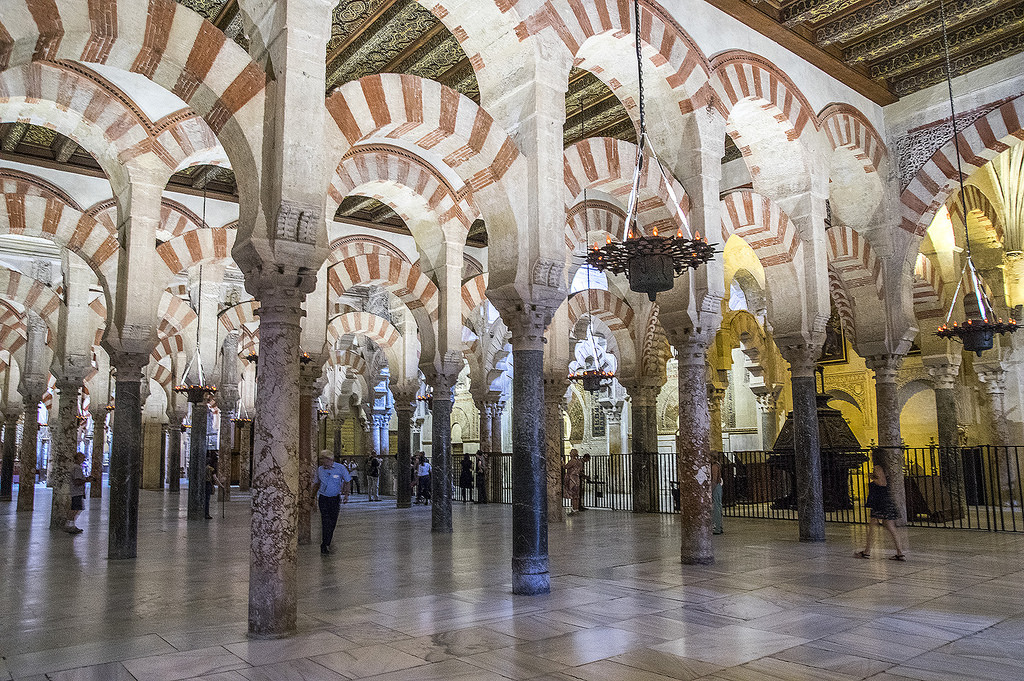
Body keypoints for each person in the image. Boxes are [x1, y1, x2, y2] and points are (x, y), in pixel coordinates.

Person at [857, 463, 906, 561]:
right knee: (890, 528)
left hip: (880, 505)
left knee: (873, 528)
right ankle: (900, 553)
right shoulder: (885, 476)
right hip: (884, 504)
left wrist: (873, 478)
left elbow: (880, 483)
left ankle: (867, 551)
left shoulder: (879, 472)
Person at [314, 451, 346, 555]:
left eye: (324, 459)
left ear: (330, 459)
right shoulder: (320, 470)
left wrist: (346, 494)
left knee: (332, 522)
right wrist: (311, 497)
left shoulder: (340, 468)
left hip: (335, 499)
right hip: (323, 498)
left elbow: (347, 480)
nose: (322, 461)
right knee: (325, 521)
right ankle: (325, 544)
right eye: (321, 459)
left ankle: (328, 541)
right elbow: (317, 483)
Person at [67, 451, 87, 534]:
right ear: (78, 458)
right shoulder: (77, 468)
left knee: (77, 508)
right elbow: (77, 481)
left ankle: (71, 524)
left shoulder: (77, 467)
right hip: (76, 491)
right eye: (82, 457)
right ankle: (70, 525)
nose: (83, 459)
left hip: (77, 491)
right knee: (75, 508)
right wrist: (86, 480)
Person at [562, 449, 583, 513]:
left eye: (571, 452)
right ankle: (576, 509)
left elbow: (565, 467)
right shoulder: (579, 461)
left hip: (572, 479)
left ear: (573, 454)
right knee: (576, 495)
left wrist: (562, 462)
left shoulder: (572, 461)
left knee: (573, 495)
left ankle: (574, 509)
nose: (569, 453)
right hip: (576, 479)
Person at [711, 461, 724, 535]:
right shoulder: (718, 465)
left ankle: (717, 528)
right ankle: (719, 527)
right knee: (718, 506)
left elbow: (714, 479)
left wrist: (711, 489)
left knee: (716, 507)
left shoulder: (714, 467)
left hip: (716, 487)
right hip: (718, 486)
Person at [204, 451, 217, 519]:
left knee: (203, 499)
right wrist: (221, 485)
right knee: (207, 499)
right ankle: (206, 513)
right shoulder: (211, 468)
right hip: (208, 483)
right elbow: (215, 478)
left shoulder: (203, 468)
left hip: (202, 484)